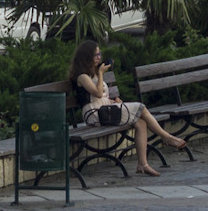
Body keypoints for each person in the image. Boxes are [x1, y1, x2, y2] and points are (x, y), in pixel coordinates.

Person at [66, 39, 186, 177]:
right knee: (141, 107)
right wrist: (100, 74)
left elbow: (101, 96)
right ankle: (167, 137)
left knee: (141, 123)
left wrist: (112, 100)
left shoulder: (93, 73)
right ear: (87, 57)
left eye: (100, 54)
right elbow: (97, 93)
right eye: (96, 55)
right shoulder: (82, 76)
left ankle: (143, 164)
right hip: (95, 115)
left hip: (106, 111)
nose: (99, 58)